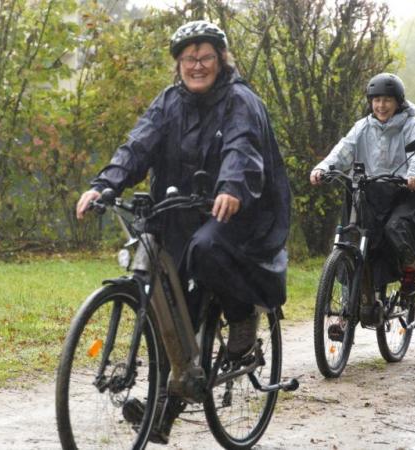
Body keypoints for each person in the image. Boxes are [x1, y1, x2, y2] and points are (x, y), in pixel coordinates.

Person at [75, 20, 292, 444]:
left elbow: (242, 149)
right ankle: (165, 408)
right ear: (178, 64)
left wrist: (231, 187)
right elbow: (138, 145)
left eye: (206, 57)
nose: (197, 65)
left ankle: (241, 318)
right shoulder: (169, 102)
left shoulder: (239, 101)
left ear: (221, 59)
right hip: (179, 212)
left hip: (237, 217)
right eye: (189, 58)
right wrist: (104, 184)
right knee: (167, 307)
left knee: (207, 248)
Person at [310, 73, 415, 308]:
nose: (381, 105)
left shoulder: (411, 125)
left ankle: (409, 272)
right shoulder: (362, 127)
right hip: (370, 192)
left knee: (395, 229)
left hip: (405, 193)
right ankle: (348, 307)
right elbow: (344, 149)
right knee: (353, 235)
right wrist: (324, 167)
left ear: (398, 101)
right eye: (376, 100)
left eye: (387, 100)